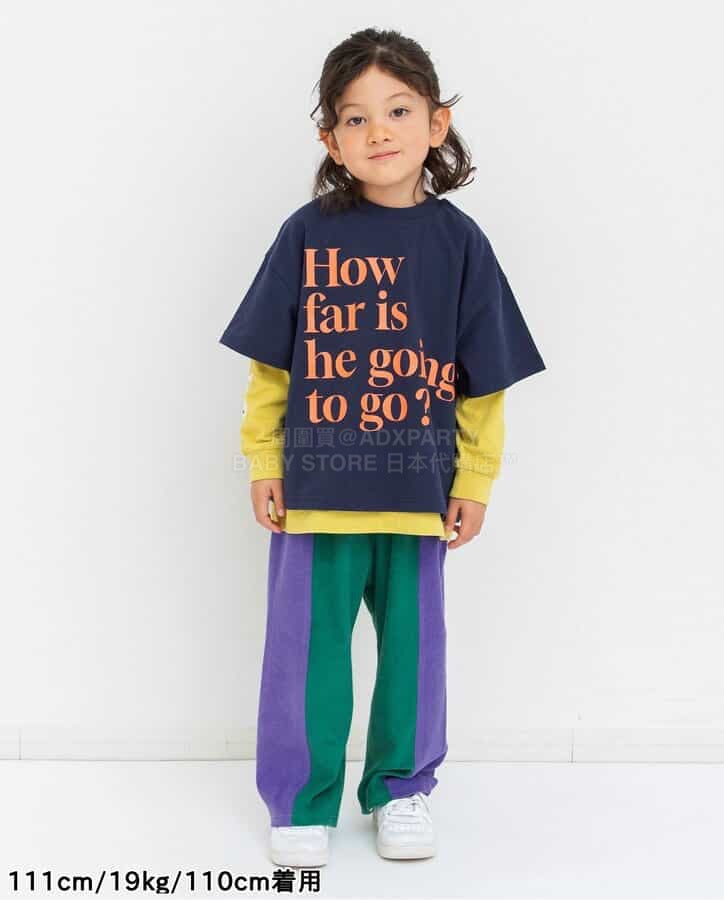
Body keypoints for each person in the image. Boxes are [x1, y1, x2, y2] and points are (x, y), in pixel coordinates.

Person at [219, 27, 546, 868]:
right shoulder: (305, 234)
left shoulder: (460, 244)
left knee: (414, 656)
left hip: (416, 492)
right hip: (316, 492)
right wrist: (264, 460)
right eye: (355, 118)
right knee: (306, 657)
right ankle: (301, 800)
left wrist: (475, 479)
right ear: (330, 140)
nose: (378, 132)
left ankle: (401, 790)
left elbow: (484, 380)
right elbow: (271, 367)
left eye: (398, 111)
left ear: (437, 123)